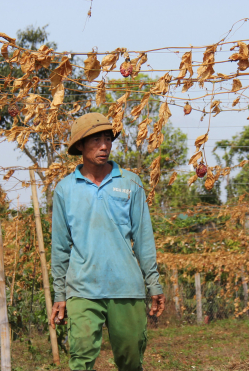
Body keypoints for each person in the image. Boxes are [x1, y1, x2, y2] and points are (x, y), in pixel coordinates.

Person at [50, 112, 166, 371]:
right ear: (80, 145)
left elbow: (144, 239)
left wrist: (154, 284)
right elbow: (59, 247)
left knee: (130, 361)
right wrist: (60, 294)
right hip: (82, 289)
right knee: (80, 361)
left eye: (108, 139)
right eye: (95, 140)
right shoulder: (65, 190)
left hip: (126, 288)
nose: (104, 146)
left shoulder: (130, 183)